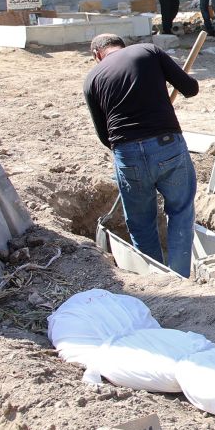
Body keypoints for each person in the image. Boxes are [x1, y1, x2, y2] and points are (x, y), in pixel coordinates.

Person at [83, 34, 199, 277]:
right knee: (180, 212)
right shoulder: (148, 51)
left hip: (127, 154)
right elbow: (190, 89)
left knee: (141, 224)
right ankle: (180, 278)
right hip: (167, 146)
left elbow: (105, 136)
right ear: (122, 46)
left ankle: (156, 282)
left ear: (97, 55)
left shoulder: (92, 78)